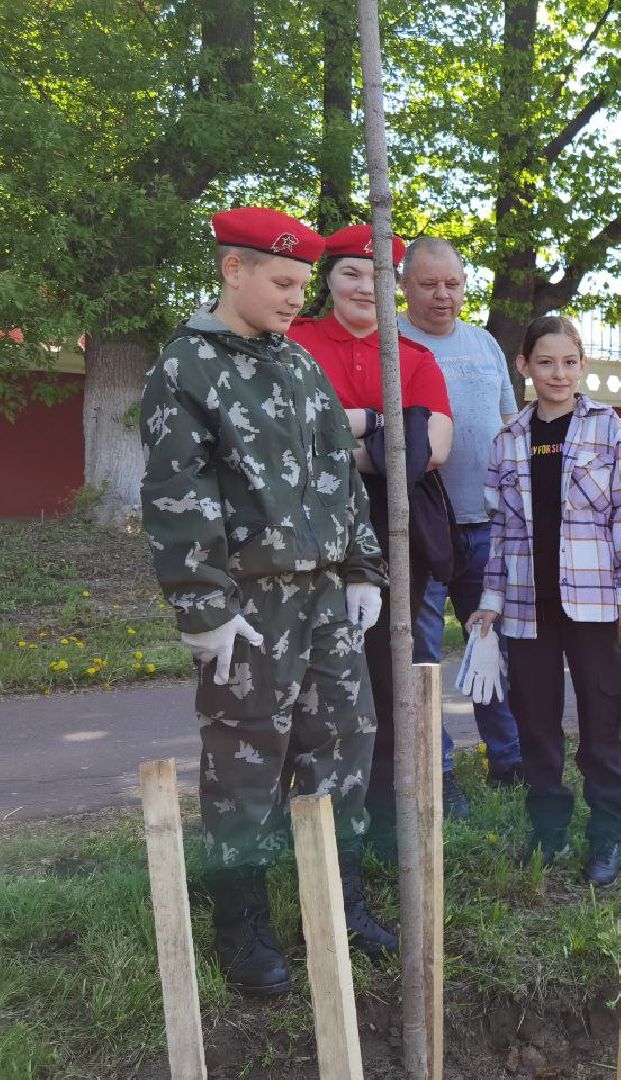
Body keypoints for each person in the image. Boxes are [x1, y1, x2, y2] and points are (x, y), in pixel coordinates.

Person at [139, 208, 397, 995]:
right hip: (248, 605)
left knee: (346, 741)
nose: (295, 299)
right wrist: (202, 605)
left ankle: (338, 901)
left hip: (322, 596)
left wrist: (361, 567)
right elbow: (178, 494)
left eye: (301, 285)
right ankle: (241, 926)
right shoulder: (186, 367)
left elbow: (341, 474)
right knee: (248, 762)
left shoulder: (297, 365)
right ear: (233, 270)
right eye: (282, 283)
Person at [288, 224, 455, 858]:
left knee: (386, 679)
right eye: (350, 273)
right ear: (328, 278)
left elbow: (434, 449)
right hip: (305, 535)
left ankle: (380, 826)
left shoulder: (413, 358)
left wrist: (334, 434)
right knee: (306, 680)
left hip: (392, 540)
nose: (363, 286)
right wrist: (389, 426)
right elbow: (282, 447)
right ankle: (302, 825)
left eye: (377, 276)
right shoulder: (294, 346)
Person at [467, 315, 621, 889]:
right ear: (523, 367)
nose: (558, 373)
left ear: (582, 364)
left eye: (569, 362)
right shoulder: (509, 440)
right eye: (545, 363)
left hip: (594, 602)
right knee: (537, 724)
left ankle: (607, 835)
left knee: (602, 722)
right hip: (526, 606)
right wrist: (490, 599)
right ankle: (549, 831)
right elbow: (501, 531)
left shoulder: (607, 429)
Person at [399, 237, 524, 812]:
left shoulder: (485, 345)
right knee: (421, 656)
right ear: (404, 286)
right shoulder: (390, 344)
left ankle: (508, 757)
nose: (442, 295)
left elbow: (508, 422)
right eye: (428, 284)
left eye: (452, 283)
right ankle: (438, 768)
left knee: (490, 648)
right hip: (420, 534)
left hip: (489, 528)